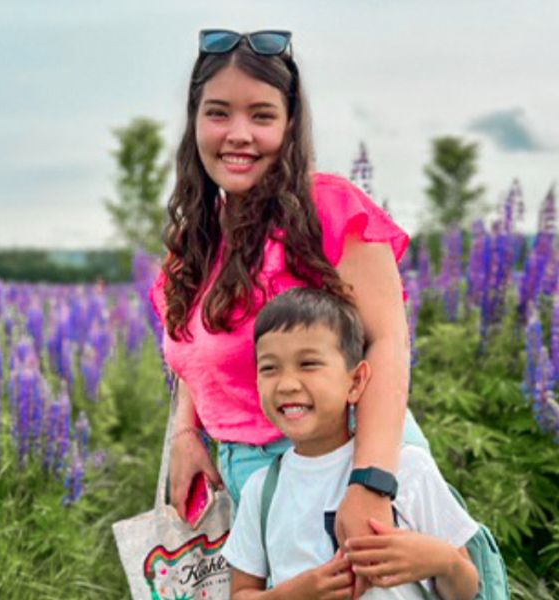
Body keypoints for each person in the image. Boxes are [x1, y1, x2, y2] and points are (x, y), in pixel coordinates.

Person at [148, 29, 430, 594]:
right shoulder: (193, 246)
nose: (238, 135)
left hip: (341, 457)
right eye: (218, 113)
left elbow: (386, 345)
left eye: (262, 115)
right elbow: (195, 358)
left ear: (291, 126)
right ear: (195, 123)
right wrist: (185, 434)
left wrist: (369, 482)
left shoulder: (326, 208)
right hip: (254, 482)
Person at [221, 287, 480, 600]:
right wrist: (297, 594)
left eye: (309, 364)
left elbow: (466, 589)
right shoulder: (261, 491)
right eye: (269, 368)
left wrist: (443, 561)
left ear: (356, 382)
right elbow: (241, 593)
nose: (287, 384)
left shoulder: (407, 467)